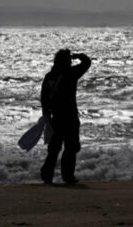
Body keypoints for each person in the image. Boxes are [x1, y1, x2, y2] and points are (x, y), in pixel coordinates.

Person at [40, 49, 92, 184]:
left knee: (54, 149)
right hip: (70, 117)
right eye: (69, 60)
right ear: (67, 61)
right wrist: (79, 56)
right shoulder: (70, 73)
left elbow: (44, 98)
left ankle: (47, 175)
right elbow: (87, 62)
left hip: (55, 117)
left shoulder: (50, 76)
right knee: (71, 148)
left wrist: (46, 115)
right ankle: (67, 176)